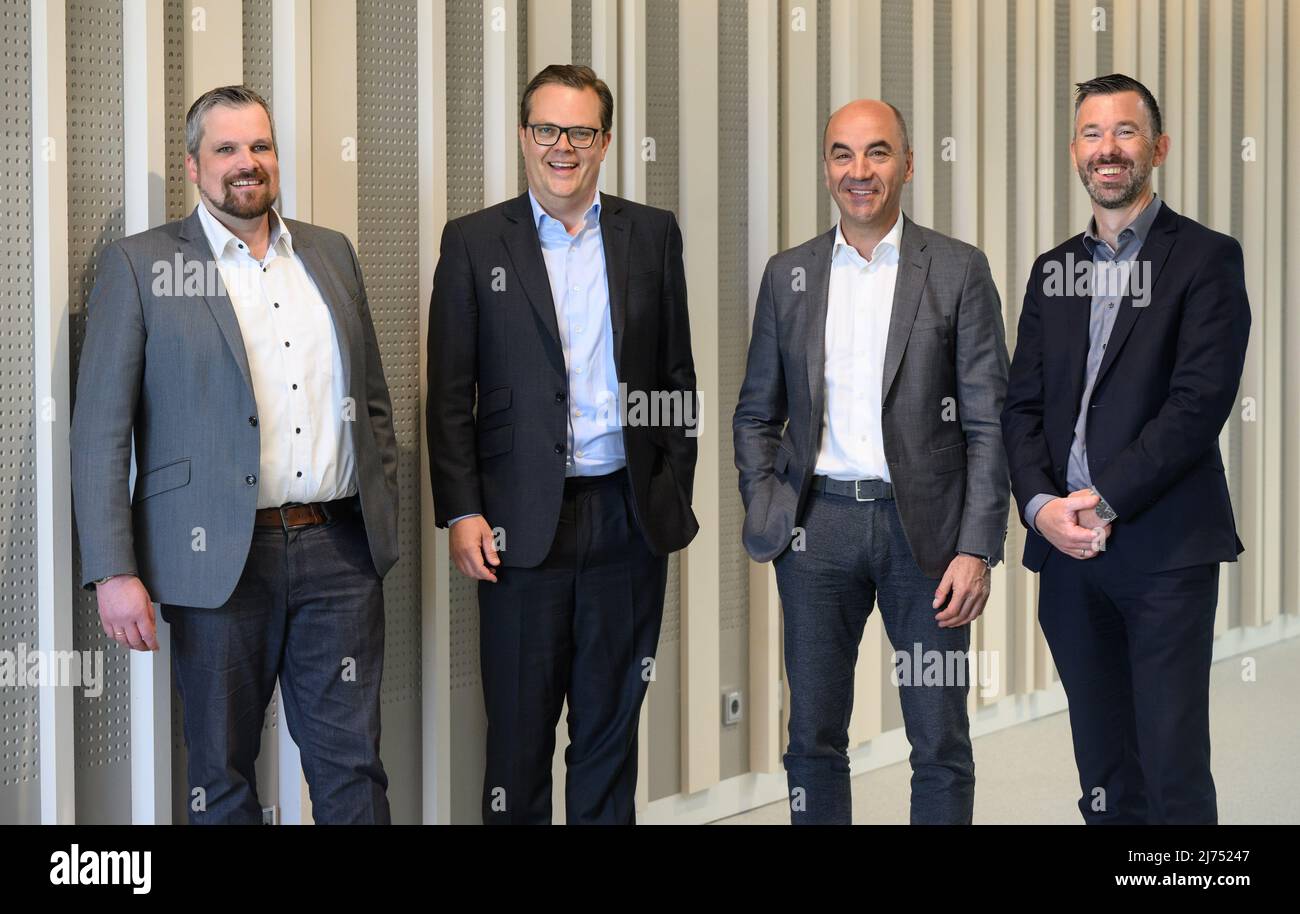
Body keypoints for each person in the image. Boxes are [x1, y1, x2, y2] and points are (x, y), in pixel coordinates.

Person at [70, 85, 400, 824]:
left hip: (339, 553)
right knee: (219, 777)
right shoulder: (143, 265)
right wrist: (112, 570)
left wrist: (383, 512)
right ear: (194, 166)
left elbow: (371, 400)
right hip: (217, 561)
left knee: (353, 769)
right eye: (226, 149)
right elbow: (98, 431)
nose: (246, 163)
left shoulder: (330, 252)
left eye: (260, 146)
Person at [427, 64, 698, 824]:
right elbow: (450, 394)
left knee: (610, 736)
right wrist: (462, 512)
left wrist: (669, 487)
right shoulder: (476, 242)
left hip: (626, 516)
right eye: (546, 129)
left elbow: (676, 376)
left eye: (580, 131)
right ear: (523, 136)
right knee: (516, 738)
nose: (562, 147)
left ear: (606, 141)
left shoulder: (652, 234)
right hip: (517, 528)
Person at [733, 99, 1010, 824]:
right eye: (843, 154)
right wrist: (770, 507)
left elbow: (990, 422)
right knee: (813, 740)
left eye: (878, 153)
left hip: (929, 543)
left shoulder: (957, 269)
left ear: (908, 164)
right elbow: (757, 413)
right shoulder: (787, 275)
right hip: (815, 531)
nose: (860, 171)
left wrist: (977, 546)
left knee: (939, 740)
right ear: (826, 166)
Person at [1002, 74, 1250, 824]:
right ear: (1076, 152)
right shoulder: (1054, 271)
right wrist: (1043, 507)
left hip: (1163, 552)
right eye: (1091, 134)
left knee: (1172, 767)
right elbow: (1021, 407)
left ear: (1158, 147)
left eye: (1124, 132)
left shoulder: (1207, 258)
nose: (1106, 149)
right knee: (1104, 771)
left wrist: (1101, 499)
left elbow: (1196, 405)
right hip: (1069, 560)